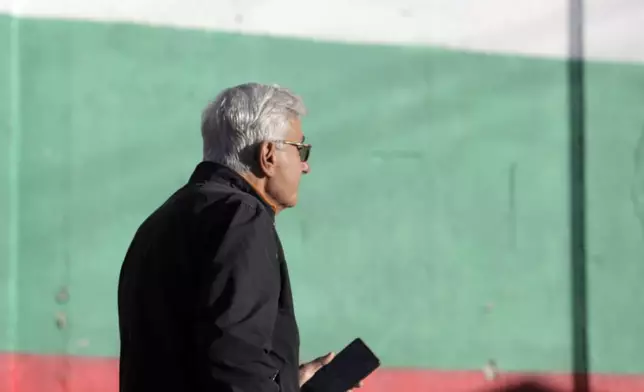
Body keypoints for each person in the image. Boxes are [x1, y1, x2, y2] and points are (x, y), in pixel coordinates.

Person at [117, 83, 348, 392]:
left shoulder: (162, 220)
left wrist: (288, 383)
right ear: (268, 155)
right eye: (300, 149)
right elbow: (235, 366)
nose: (305, 166)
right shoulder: (242, 217)